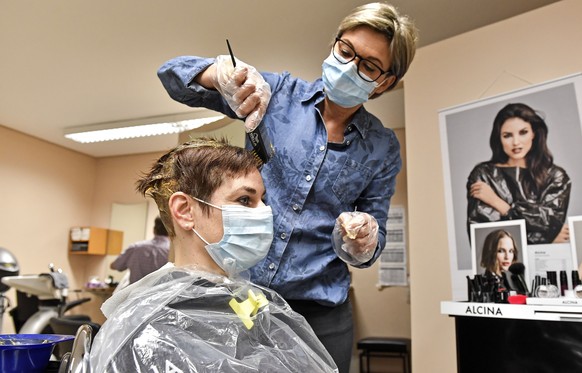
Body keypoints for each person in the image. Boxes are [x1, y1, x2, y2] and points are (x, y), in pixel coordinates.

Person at [156, 4, 418, 371]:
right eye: (346, 51)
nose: (350, 67)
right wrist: (218, 75)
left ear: (385, 82)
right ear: (334, 45)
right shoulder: (276, 94)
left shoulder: (382, 147)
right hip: (244, 296)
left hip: (322, 313)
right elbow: (170, 75)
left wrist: (365, 239)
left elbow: (373, 243)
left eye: (369, 66)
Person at [88, 138, 337, 372]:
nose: (266, 212)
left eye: (262, 200)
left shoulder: (246, 298)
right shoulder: (149, 325)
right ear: (185, 211)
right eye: (244, 199)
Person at [467, 103, 571, 245]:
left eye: (523, 132)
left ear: (534, 133)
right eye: (507, 135)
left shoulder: (556, 176)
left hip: (544, 263)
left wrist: (499, 204)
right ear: (499, 138)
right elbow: (485, 238)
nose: (516, 142)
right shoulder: (484, 174)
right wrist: (546, 238)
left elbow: (551, 223)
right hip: (503, 266)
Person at [110, 216, 170, 284]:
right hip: (162, 293)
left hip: (135, 293)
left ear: (154, 230)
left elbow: (115, 266)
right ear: (170, 231)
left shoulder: (135, 247)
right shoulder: (172, 252)